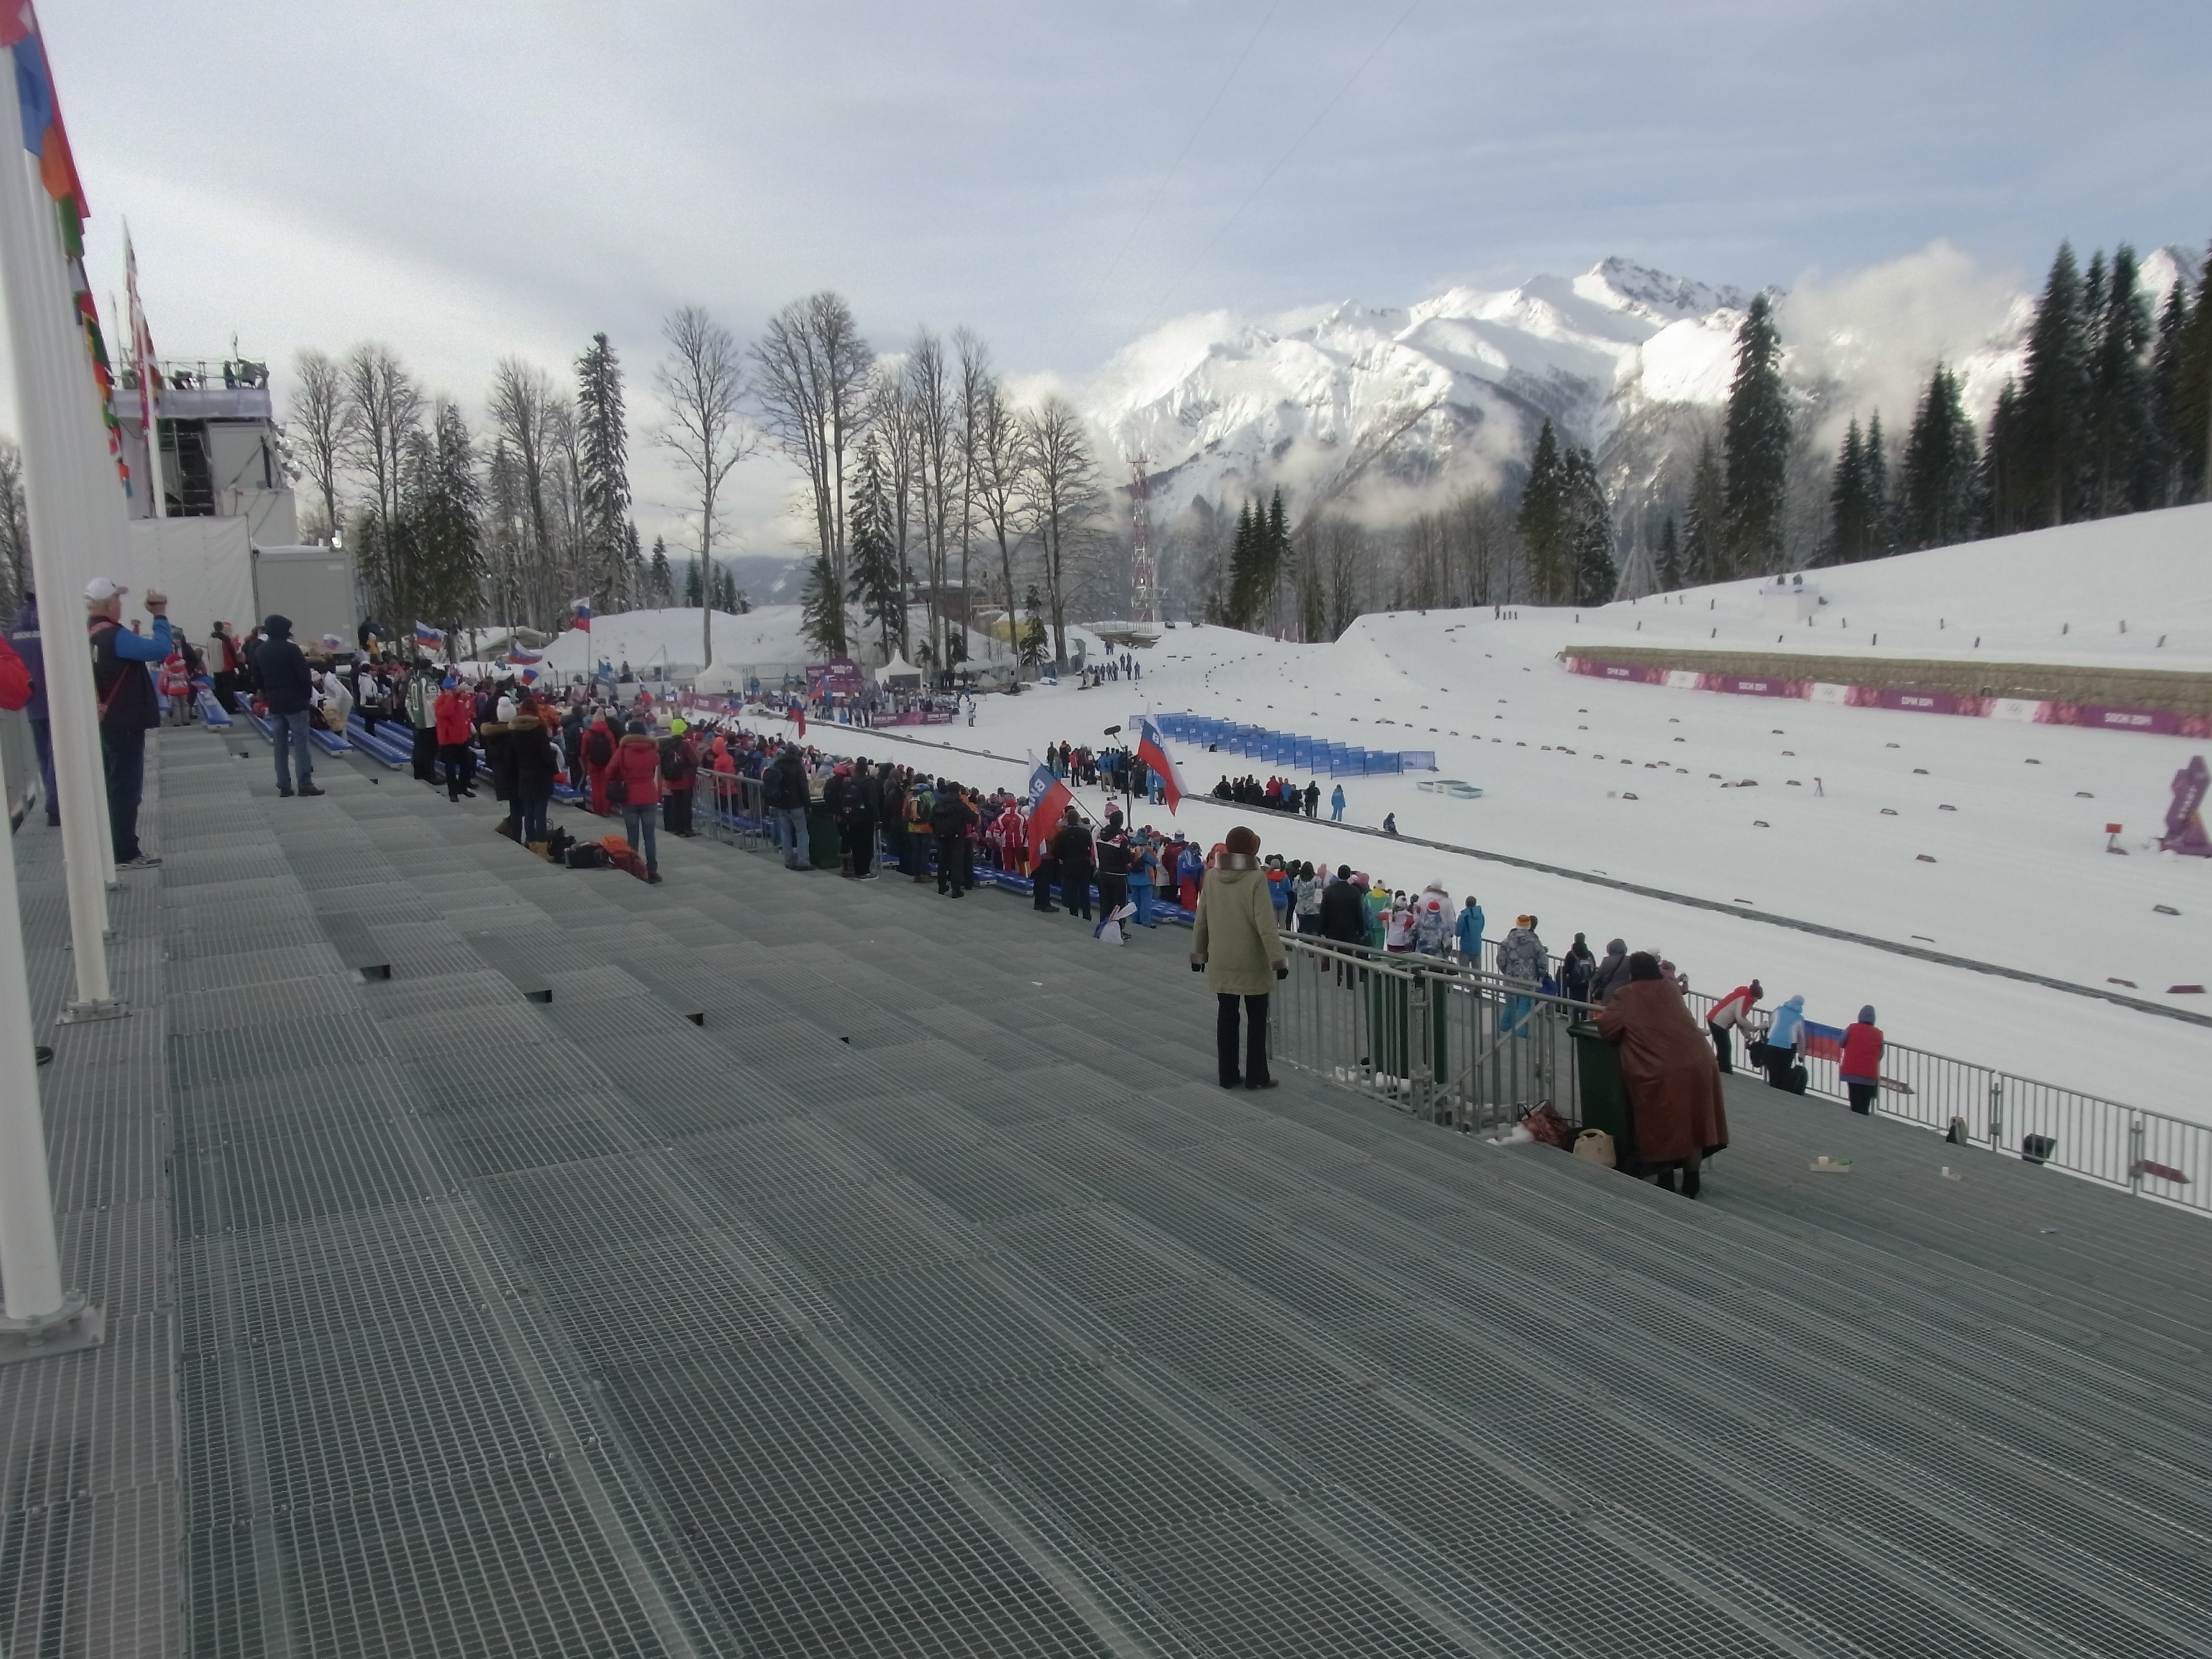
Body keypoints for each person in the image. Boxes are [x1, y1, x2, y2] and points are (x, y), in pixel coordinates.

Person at [1593, 952, 1729, 1197]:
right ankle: (1691, 1182)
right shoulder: (1670, 989)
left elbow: (1608, 1028)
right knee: (1694, 1124)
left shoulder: (1626, 994)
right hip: (1701, 1062)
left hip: (1660, 1069)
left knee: (1660, 1125)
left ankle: (1666, 1181)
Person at [1190, 824, 1288, 1090]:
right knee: (1256, 1020)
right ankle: (1257, 1076)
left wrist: (1199, 954)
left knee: (1227, 1016)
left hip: (1222, 960)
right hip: (1252, 962)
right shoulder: (1256, 879)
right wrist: (1278, 960)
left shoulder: (1211, 877)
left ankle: (1228, 1074)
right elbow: (1266, 925)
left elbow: (1202, 919)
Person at [249, 609, 323, 804]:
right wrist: (306, 697)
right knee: (301, 745)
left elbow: (256, 678)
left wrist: (268, 692)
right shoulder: (292, 650)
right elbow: (304, 677)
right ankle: (305, 783)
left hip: (275, 702)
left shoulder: (260, 651)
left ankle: (284, 785)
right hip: (296, 702)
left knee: (280, 746)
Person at [10, 600, 57, 826]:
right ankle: (57, 804)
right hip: (57, 702)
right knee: (58, 755)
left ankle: (52, 802)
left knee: (44, 757)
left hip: (32, 705)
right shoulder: (50, 631)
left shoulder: (13, 637)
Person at [612, 717, 666, 883]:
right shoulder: (652, 750)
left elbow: (610, 771)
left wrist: (621, 777)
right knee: (650, 836)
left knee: (633, 837)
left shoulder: (623, 749)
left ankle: (635, 869)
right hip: (649, 796)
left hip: (629, 797)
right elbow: (655, 764)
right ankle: (652, 871)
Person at [509, 699, 559, 849]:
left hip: (524, 774)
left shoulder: (514, 730)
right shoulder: (539, 729)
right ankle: (542, 846)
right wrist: (554, 769)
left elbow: (511, 756)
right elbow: (546, 754)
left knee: (529, 812)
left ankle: (530, 841)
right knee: (540, 812)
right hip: (541, 775)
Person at [1496, 915, 1547, 1036]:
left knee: (1510, 1004)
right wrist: (1540, 975)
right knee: (1523, 1005)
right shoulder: (1534, 942)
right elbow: (1543, 961)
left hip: (1510, 978)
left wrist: (1506, 972)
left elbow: (1501, 960)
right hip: (1528, 980)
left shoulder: (1508, 940)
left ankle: (1505, 1027)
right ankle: (1520, 1031)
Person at [765, 743, 813, 869]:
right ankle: (803, 861)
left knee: (786, 833)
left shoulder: (777, 765)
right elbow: (803, 788)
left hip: (781, 804)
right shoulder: (798, 767)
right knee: (802, 833)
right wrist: (808, 804)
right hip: (796, 804)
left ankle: (788, 860)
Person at [433, 675, 478, 802]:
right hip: (448, 741)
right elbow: (446, 713)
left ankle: (463, 787)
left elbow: (464, 717)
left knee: (467, 764)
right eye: (452, 689)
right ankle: (453, 792)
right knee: (450, 768)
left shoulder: (459, 700)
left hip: (461, 738)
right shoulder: (440, 701)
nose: (455, 691)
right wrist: (450, 698)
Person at [1706, 978, 1763, 1074]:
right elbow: (1740, 1018)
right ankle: (1724, 1071)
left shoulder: (1746, 996)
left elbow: (1739, 1020)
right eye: (1757, 998)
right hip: (1718, 1022)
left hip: (1716, 1020)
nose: (1757, 1001)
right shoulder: (1745, 998)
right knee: (1725, 1048)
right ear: (1755, 995)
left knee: (1724, 1048)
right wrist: (1753, 1028)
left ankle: (1718, 1069)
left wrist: (1747, 1035)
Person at [931, 780, 976, 896]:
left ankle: (942, 886)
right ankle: (956, 889)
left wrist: (937, 831)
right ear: (958, 791)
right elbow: (972, 818)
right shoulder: (960, 804)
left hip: (941, 836)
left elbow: (931, 819)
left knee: (943, 861)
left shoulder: (940, 802)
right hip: (956, 837)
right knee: (957, 863)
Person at [1053, 805, 1094, 920]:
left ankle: (1074, 913)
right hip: (1083, 864)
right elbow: (1091, 847)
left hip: (1068, 864)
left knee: (1071, 890)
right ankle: (1087, 914)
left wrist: (1064, 857)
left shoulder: (1062, 834)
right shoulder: (1085, 833)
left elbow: (1056, 851)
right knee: (1084, 890)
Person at [1840, 1006, 1884, 1114]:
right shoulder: (1879, 1034)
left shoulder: (1852, 1028)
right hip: (1869, 1073)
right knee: (1865, 1104)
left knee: (1855, 1101)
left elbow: (1841, 1042)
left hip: (1852, 1070)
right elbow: (1881, 1054)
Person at [1763, 993, 1808, 1093]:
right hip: (1788, 1047)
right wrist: (1801, 1055)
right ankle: (1781, 1092)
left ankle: (1772, 1089)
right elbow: (1802, 1039)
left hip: (1772, 1043)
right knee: (1783, 1071)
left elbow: (1770, 1024)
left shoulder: (1778, 1011)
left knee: (1773, 1070)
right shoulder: (1799, 1019)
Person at [404, 660, 440, 782]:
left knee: (419, 748)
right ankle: (431, 775)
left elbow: (408, 702)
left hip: (418, 721)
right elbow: (432, 703)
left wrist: (413, 718)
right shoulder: (429, 682)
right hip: (429, 722)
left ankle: (419, 773)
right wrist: (436, 720)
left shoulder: (413, 681)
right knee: (430, 750)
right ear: (430, 668)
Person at [661, 726, 699, 838]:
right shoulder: (685, 745)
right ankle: (687, 829)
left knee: (676, 804)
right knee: (686, 806)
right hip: (685, 779)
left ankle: (678, 828)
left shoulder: (666, 745)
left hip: (671, 779)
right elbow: (694, 760)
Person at [1096, 825, 1130, 920]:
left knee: (1105, 903)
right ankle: (1118, 929)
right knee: (1120, 905)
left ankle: (1103, 926)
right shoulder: (1122, 839)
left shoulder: (1100, 836)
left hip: (1103, 872)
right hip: (1118, 875)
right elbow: (1127, 858)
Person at [1588, 938, 1630, 1004]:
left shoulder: (1606, 960)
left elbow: (1597, 976)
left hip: (1609, 993)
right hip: (1626, 993)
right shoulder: (1629, 960)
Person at [1560, 933, 1597, 1003]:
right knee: (1584, 1001)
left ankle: (1575, 1013)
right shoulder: (1589, 954)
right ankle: (1583, 1013)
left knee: (1574, 1002)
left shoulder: (1571, 954)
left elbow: (1567, 969)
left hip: (1573, 982)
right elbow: (1594, 967)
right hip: (1585, 982)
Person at [1454, 896, 1486, 966]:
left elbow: (1458, 933)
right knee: (1478, 972)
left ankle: (1467, 978)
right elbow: (1481, 928)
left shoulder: (1463, 916)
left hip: (1466, 948)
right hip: (1477, 947)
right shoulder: (1481, 916)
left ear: (1466, 904)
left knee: (1464, 970)